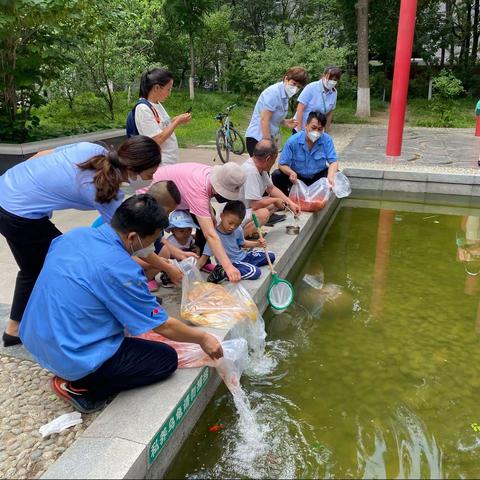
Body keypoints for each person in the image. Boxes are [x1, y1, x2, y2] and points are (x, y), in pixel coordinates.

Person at [19, 195, 223, 414]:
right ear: (133, 237)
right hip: (73, 355)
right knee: (165, 360)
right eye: (152, 241)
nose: (151, 247)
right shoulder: (121, 269)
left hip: (34, 338)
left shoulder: (75, 235)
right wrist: (203, 338)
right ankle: (79, 386)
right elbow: (163, 326)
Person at [0, 137, 161, 347]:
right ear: (131, 168)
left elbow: (42, 154)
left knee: (40, 265)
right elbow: (131, 239)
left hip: (8, 187)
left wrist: (33, 180)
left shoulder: (92, 149)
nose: (151, 179)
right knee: (56, 262)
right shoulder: (104, 191)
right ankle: (23, 328)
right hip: (16, 211)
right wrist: (168, 267)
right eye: (149, 175)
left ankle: (19, 327)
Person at [140, 162, 247, 282]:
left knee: (209, 219)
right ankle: (150, 277)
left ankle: (202, 260)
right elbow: (210, 235)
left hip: (176, 194)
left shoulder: (210, 176)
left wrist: (210, 213)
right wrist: (228, 266)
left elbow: (205, 195)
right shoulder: (198, 191)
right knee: (155, 239)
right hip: (153, 193)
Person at [198, 201, 275, 283]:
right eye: (230, 223)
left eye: (236, 225)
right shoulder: (214, 237)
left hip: (244, 256)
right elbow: (204, 258)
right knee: (255, 272)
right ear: (222, 216)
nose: (232, 227)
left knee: (271, 256)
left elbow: (243, 244)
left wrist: (257, 244)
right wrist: (191, 273)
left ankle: (244, 267)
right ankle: (221, 272)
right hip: (231, 264)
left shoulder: (238, 230)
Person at [128, 68, 191, 165]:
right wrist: (176, 122)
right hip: (159, 165)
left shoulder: (157, 104)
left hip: (169, 163)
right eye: (168, 89)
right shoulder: (143, 109)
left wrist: (176, 120)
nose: (169, 93)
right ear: (157, 88)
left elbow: (162, 127)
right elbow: (156, 140)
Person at [240, 139, 301, 238]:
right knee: (264, 214)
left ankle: (250, 230)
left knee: (276, 204)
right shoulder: (251, 171)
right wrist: (276, 200)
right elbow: (255, 204)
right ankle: (239, 237)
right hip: (237, 214)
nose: (274, 163)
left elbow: (271, 189)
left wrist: (290, 203)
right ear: (268, 159)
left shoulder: (261, 168)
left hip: (246, 209)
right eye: (274, 159)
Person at [245, 67, 308, 156]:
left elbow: (272, 116)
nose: (295, 88)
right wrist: (267, 144)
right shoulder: (273, 93)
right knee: (258, 169)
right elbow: (264, 119)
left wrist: (285, 122)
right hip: (258, 139)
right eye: (294, 83)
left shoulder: (285, 96)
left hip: (268, 138)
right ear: (286, 79)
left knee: (264, 170)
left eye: (298, 87)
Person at [272, 111, 338, 196]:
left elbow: (333, 162)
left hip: (317, 177)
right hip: (297, 178)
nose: (316, 132)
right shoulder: (293, 141)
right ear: (306, 126)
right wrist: (290, 172)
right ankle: (286, 199)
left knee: (336, 174)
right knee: (277, 175)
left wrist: (330, 176)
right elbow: (282, 164)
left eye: (320, 129)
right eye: (313, 128)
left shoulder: (327, 139)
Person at [294, 66, 342, 133]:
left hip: (317, 130)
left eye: (335, 80)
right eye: (330, 78)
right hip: (303, 128)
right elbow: (300, 108)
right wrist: (299, 131)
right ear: (324, 76)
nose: (332, 81)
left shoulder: (334, 92)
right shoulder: (311, 87)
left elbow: (329, 113)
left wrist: (326, 131)